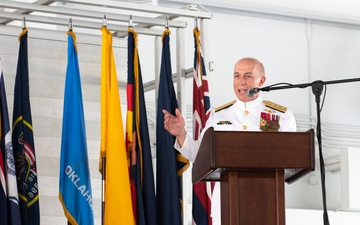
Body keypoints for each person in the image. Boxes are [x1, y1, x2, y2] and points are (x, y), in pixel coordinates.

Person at [162, 57, 296, 224]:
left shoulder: (281, 116)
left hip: (266, 201)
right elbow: (201, 156)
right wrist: (181, 134)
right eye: (237, 76)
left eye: (248, 76)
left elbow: (292, 158)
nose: (241, 82)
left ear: (261, 80)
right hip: (226, 203)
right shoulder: (218, 115)